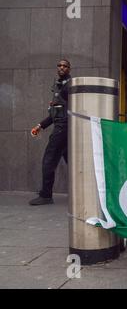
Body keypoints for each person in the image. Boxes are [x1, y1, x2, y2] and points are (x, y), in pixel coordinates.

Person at [28, 59, 72, 205]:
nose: (61, 68)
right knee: (72, 164)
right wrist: (40, 126)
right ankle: (82, 191)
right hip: (62, 127)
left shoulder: (69, 86)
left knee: (48, 160)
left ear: (69, 69)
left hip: (62, 129)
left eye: (65, 66)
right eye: (59, 65)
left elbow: (66, 111)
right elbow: (55, 113)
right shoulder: (58, 87)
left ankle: (46, 195)